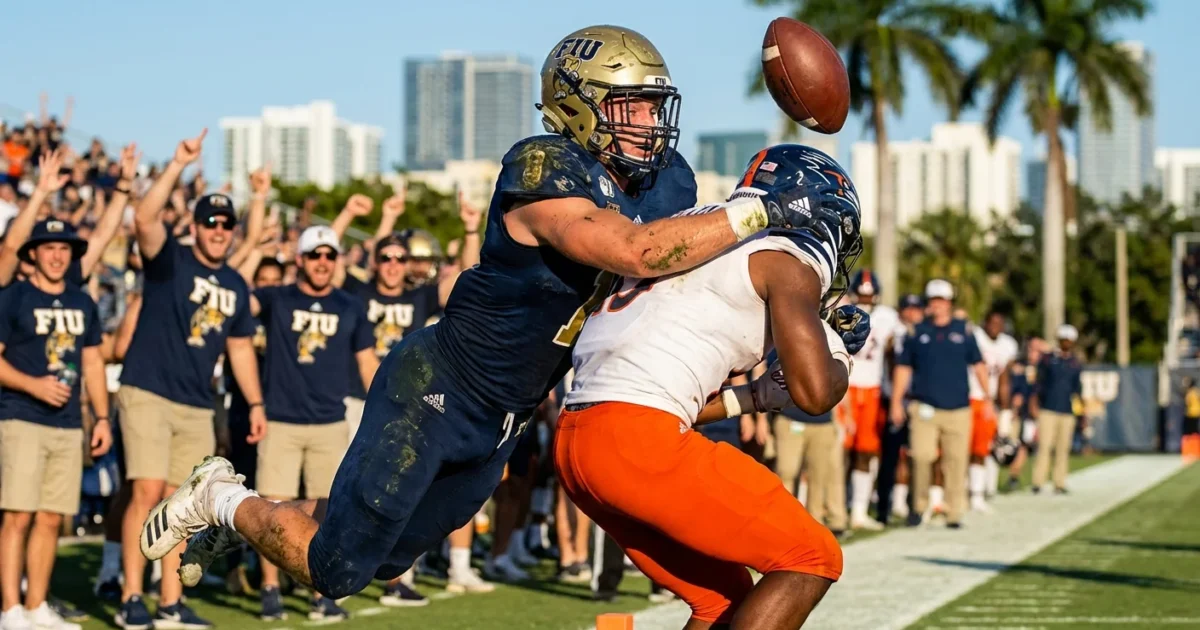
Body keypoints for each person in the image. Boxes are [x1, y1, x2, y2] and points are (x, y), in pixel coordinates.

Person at [142, 24, 820, 604]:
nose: (649, 123)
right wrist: (763, 209)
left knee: (385, 557)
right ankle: (221, 498)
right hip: (438, 393)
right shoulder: (542, 167)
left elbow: (678, 277)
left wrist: (807, 294)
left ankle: (244, 527)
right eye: (631, 107)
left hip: (507, 416)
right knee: (338, 571)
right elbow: (639, 251)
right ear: (579, 107)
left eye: (653, 106)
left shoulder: (666, 179)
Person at [556, 143, 867, 628]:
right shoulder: (783, 257)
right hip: (637, 439)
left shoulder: (704, 229)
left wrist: (755, 397)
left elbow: (655, 397)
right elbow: (814, 394)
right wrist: (842, 354)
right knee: (811, 556)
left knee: (722, 600)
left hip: (581, 442)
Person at [115, 131, 268, 630]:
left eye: (227, 223)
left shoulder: (235, 283)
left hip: (196, 403)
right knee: (147, 493)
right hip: (147, 390)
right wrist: (179, 162)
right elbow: (143, 217)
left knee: (188, 508)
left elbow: (241, 348)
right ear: (196, 226)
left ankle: (170, 603)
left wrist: (256, 404)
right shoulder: (170, 261)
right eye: (211, 221)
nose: (220, 229)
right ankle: (131, 596)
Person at [0, 220, 111, 630]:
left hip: (67, 424)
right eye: (48, 248)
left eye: (64, 249)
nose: (57, 255)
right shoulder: (13, 297)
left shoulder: (83, 303)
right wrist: (33, 385)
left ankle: (35, 605)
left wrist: (101, 417)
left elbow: (93, 361)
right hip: (20, 417)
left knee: (51, 518)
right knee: (18, 516)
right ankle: (10, 609)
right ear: (33, 254)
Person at [890, 279, 990, 529]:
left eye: (942, 301)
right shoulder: (916, 332)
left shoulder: (964, 331)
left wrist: (988, 398)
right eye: (933, 301)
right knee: (921, 457)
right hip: (924, 407)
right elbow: (903, 368)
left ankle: (954, 511)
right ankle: (919, 506)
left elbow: (978, 366)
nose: (937, 306)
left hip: (958, 408)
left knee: (956, 461)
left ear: (949, 303)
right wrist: (896, 402)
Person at [842, 269, 901, 531]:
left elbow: (899, 344)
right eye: (862, 295)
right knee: (841, 450)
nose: (866, 300)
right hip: (846, 387)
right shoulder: (842, 310)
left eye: (870, 296)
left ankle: (858, 509)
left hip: (874, 389)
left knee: (866, 451)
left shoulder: (888, 318)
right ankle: (836, 504)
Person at [966, 310, 1018, 512]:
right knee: (962, 448)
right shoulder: (974, 337)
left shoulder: (1007, 345)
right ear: (985, 323)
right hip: (966, 397)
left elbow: (1004, 378)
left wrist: (1004, 409)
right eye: (992, 322)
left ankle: (977, 494)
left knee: (982, 449)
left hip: (987, 402)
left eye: (1000, 322)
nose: (996, 326)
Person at [1030, 324, 1083, 494]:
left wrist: (1081, 411)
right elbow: (1038, 382)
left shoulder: (1075, 362)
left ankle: (1059, 482)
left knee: (1063, 448)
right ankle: (1038, 481)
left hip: (1067, 410)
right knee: (1044, 446)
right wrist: (1035, 402)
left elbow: (1077, 389)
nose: (1066, 343)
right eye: (1064, 340)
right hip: (1048, 408)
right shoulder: (1047, 359)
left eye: (1069, 340)